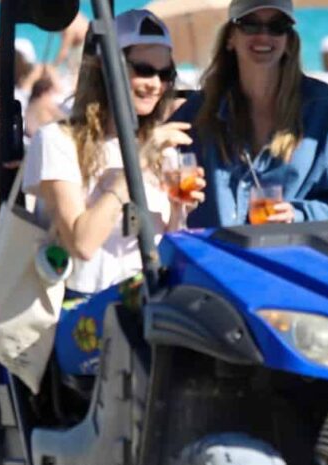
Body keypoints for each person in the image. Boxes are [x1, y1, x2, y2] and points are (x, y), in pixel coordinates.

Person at [22, 9, 203, 297]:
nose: (155, 84)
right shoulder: (57, 141)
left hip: (146, 303)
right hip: (79, 310)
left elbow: (164, 245)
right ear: (109, 69)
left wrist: (180, 211)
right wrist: (139, 161)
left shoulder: (161, 147)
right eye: (144, 69)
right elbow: (81, 244)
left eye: (165, 73)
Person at [169, 0, 328, 227]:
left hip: (287, 256)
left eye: (277, 26)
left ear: (288, 41)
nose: (264, 36)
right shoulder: (201, 109)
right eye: (250, 25)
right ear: (230, 38)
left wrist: (298, 215)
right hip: (212, 256)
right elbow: (153, 166)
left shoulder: (320, 105)